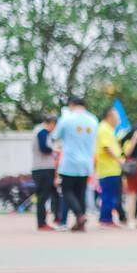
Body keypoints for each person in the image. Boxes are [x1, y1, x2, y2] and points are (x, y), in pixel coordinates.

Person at [51, 96, 98, 232]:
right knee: (81, 192)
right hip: (86, 162)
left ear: (71, 105)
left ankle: (79, 215)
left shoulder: (67, 118)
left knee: (67, 191)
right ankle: (80, 224)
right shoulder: (93, 120)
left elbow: (55, 136)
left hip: (70, 162)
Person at [95, 106, 125, 228]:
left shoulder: (109, 129)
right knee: (109, 196)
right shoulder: (104, 129)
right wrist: (119, 159)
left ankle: (106, 218)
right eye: (116, 116)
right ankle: (106, 219)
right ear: (109, 116)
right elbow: (106, 147)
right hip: (108, 169)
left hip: (112, 169)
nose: (118, 119)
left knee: (111, 195)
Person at [32, 114, 61, 231]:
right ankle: (41, 223)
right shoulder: (41, 132)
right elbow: (43, 148)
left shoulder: (45, 133)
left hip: (46, 168)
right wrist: (55, 150)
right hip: (42, 169)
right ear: (52, 123)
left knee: (55, 194)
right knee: (43, 197)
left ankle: (57, 217)